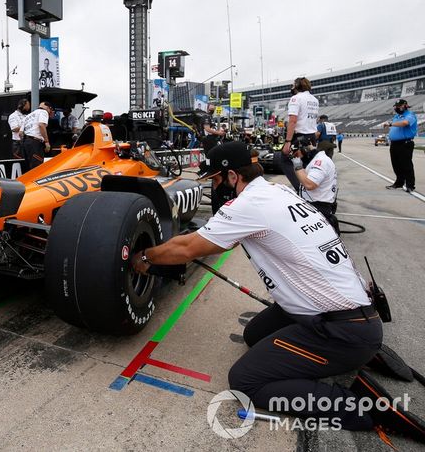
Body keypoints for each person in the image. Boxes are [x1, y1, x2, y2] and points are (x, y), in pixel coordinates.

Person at [130, 141, 419, 434]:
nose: (214, 187)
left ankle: (360, 407)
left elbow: (188, 248)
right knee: (254, 334)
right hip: (347, 309)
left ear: (233, 177)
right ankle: (360, 351)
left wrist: (145, 257)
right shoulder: (276, 190)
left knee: (246, 380)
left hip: (343, 329)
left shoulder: (248, 205)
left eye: (216, 179)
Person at [278, 77, 319, 191]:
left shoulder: (296, 98)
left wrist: (287, 142)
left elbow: (293, 121)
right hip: (311, 137)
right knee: (306, 165)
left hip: (299, 137)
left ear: (297, 86)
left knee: (285, 160)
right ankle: (309, 187)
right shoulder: (314, 100)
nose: (291, 87)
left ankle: (301, 189)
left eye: (292, 85)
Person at [292, 139, 339, 233]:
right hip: (318, 204)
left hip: (317, 206)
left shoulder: (321, 161)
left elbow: (309, 184)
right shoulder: (323, 160)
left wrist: (297, 165)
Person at [383, 98, 417, 192]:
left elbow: (405, 123)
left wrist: (390, 124)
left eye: (399, 106)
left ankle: (410, 185)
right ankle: (399, 183)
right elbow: (395, 125)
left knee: (406, 165)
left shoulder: (410, 115)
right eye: (396, 106)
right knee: (396, 165)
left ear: (405, 106)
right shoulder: (397, 116)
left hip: (405, 143)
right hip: (394, 144)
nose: (397, 108)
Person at [22, 101, 53, 169]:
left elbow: (21, 132)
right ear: (48, 108)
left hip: (26, 142)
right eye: (50, 110)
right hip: (35, 143)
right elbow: (41, 125)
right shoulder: (43, 112)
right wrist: (47, 142)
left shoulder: (29, 115)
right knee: (37, 167)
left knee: (29, 167)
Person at [8, 98, 30, 166]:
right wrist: (25, 126)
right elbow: (14, 128)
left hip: (27, 141)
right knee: (20, 162)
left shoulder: (26, 115)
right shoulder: (13, 116)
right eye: (27, 105)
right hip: (18, 143)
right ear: (22, 106)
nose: (28, 108)